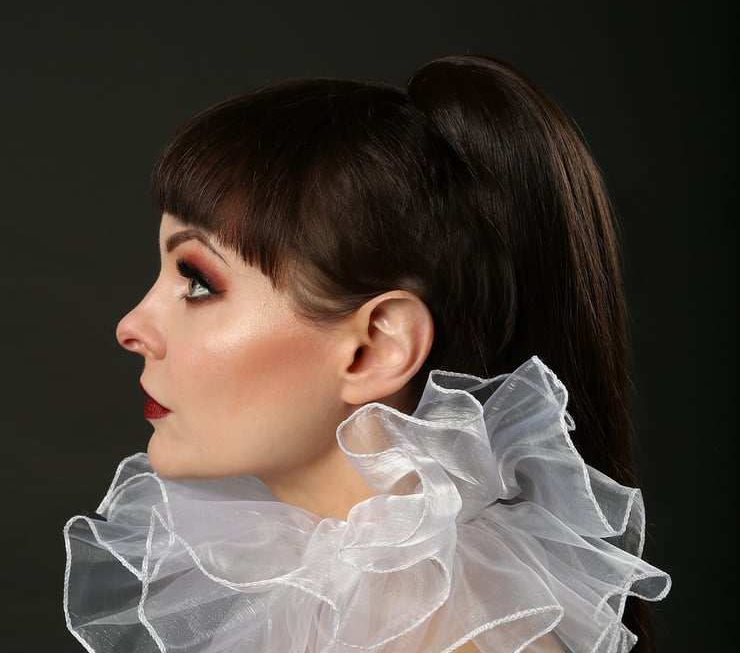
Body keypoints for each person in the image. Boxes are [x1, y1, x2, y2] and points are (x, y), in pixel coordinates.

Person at [63, 55, 670, 652]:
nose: (131, 327)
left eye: (198, 282)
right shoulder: (331, 603)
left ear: (376, 348)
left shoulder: (453, 639)